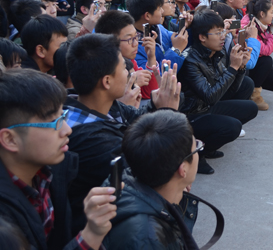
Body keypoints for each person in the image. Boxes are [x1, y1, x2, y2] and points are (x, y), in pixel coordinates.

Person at [64, 33, 180, 233]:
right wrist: (168, 114)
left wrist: (156, 104)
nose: (129, 72)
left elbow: (135, 117)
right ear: (106, 81)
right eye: (124, 68)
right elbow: (149, 173)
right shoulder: (95, 141)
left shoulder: (89, 103)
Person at [0, 69, 118, 250]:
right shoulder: (4, 225)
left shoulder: (52, 173)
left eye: (63, 116)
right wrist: (91, 235)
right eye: (54, 122)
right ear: (10, 139)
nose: (67, 130)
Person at [101, 111, 203, 249]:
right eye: (197, 147)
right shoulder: (147, 240)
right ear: (183, 169)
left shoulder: (128, 185)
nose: (198, 152)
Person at [178, 9, 258, 174]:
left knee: (250, 106)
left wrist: (241, 67)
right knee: (233, 127)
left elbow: (229, 92)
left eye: (223, 31)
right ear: (202, 37)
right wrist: (233, 68)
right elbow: (210, 97)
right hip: (191, 115)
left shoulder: (217, 53)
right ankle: (194, 153)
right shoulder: (190, 60)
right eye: (217, 33)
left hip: (206, 107)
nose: (223, 36)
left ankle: (206, 147)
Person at [95, 10, 159, 104]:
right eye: (130, 39)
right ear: (111, 42)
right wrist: (131, 81)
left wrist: (151, 57)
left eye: (136, 36)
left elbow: (149, 93)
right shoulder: (103, 66)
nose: (136, 43)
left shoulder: (130, 60)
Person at [241, 0, 273, 110]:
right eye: (271, 12)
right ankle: (254, 95)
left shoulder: (261, 25)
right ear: (262, 14)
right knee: (266, 61)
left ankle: (253, 88)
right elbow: (266, 50)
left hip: (255, 64)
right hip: (245, 66)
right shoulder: (250, 26)